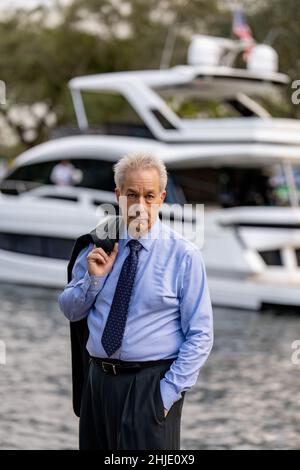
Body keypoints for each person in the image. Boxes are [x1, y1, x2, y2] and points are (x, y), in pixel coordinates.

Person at [58, 152, 213, 450]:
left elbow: (201, 335)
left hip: (150, 387)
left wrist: (165, 395)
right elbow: (69, 310)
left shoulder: (184, 256)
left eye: (149, 195)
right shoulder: (97, 245)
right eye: (131, 195)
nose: (140, 206)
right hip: (97, 384)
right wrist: (93, 281)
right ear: (118, 195)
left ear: (162, 198)